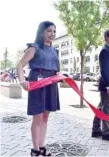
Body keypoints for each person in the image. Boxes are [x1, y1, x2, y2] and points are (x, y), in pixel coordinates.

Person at [16, 21, 60, 156]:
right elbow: (20, 65)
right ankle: (35, 149)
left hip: (51, 83)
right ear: (41, 32)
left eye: (54, 31)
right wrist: (22, 81)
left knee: (46, 116)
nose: (52, 34)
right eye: (49, 31)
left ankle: (42, 147)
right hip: (38, 82)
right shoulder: (34, 48)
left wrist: (61, 76)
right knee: (38, 117)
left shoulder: (55, 50)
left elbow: (56, 69)